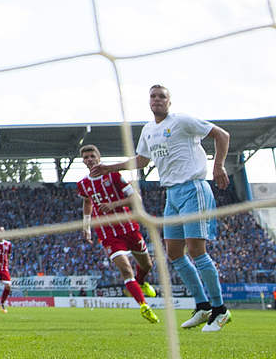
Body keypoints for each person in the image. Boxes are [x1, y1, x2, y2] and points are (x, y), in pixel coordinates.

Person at [90, 85, 231, 332]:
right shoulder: (148, 130)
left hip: (193, 188)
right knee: (175, 253)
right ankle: (203, 306)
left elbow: (222, 135)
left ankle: (220, 310)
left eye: (161, 96)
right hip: (171, 194)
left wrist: (218, 165)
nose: (156, 100)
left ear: (169, 101)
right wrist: (109, 168)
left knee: (197, 250)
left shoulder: (183, 121)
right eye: (153, 96)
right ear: (149, 101)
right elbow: (142, 161)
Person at [76, 144, 159, 323]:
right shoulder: (82, 184)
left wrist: (113, 205)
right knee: (125, 269)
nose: (89, 160)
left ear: (99, 158)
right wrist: (86, 226)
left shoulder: (113, 176)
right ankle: (144, 306)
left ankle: (142, 282)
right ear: (83, 161)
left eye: (92, 156)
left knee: (147, 265)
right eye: (86, 157)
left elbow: (136, 199)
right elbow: (87, 203)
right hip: (107, 234)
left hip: (128, 228)